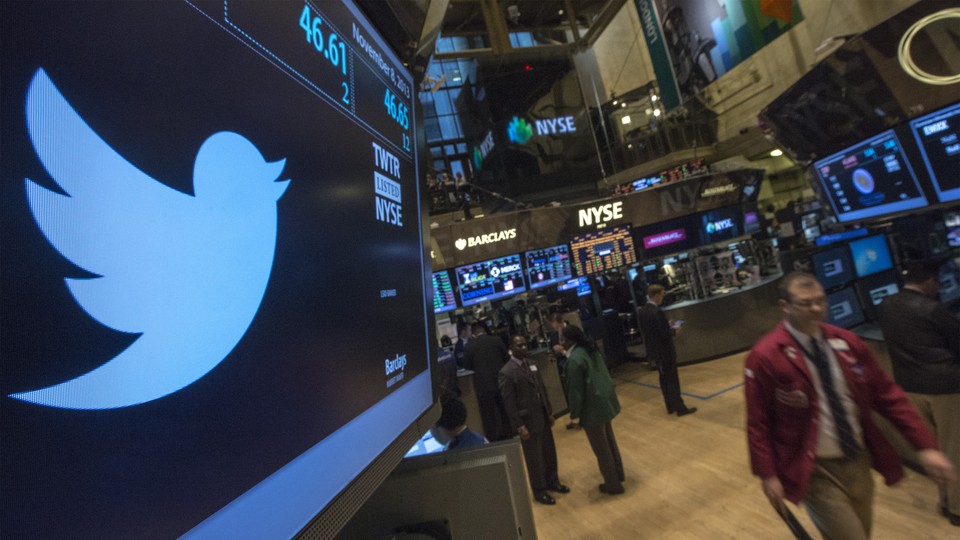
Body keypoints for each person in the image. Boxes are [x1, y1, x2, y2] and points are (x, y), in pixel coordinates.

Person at [745, 271, 955, 539]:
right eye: (806, 303)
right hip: (815, 470)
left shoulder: (846, 342)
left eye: (821, 300)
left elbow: (887, 395)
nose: (817, 309)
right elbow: (758, 423)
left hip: (858, 459)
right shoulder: (765, 357)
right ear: (785, 307)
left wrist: (925, 445)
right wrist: (767, 474)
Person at [877, 261, 960, 526]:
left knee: (935, 449)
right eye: (936, 282)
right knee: (954, 450)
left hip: (910, 387)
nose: (938, 288)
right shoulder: (934, 309)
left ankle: (946, 499)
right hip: (946, 389)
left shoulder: (887, 305)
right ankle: (957, 510)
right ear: (928, 281)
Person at [499, 334, 569, 505]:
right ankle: (539, 491)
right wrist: (519, 426)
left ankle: (553, 481)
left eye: (524, 345)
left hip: (542, 416)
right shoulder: (506, 373)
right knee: (534, 458)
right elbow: (509, 404)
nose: (523, 348)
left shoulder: (532, 364)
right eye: (519, 345)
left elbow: (542, 389)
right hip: (527, 421)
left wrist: (550, 411)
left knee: (549, 452)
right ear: (511, 348)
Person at [561, 325, 625, 495]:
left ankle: (613, 485)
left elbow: (575, 392)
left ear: (569, 340)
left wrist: (574, 417)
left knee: (601, 450)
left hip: (592, 409)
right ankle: (619, 474)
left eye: (562, 340)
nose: (561, 343)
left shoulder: (574, 360)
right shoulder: (590, 349)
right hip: (605, 402)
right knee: (610, 442)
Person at [637, 284, 697, 416]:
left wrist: (665, 325)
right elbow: (664, 334)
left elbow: (650, 331)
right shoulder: (657, 312)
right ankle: (680, 408)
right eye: (662, 295)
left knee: (664, 379)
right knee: (672, 380)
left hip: (654, 352)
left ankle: (670, 406)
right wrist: (674, 329)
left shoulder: (643, 311)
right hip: (665, 351)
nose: (662, 298)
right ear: (657, 295)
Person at [462, 324, 510, 441]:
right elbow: (507, 358)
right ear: (484, 331)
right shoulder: (497, 340)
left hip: (483, 385)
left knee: (489, 415)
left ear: (473, 334)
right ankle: (509, 435)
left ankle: (493, 440)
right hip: (501, 381)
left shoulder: (469, 346)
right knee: (504, 411)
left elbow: (467, 366)